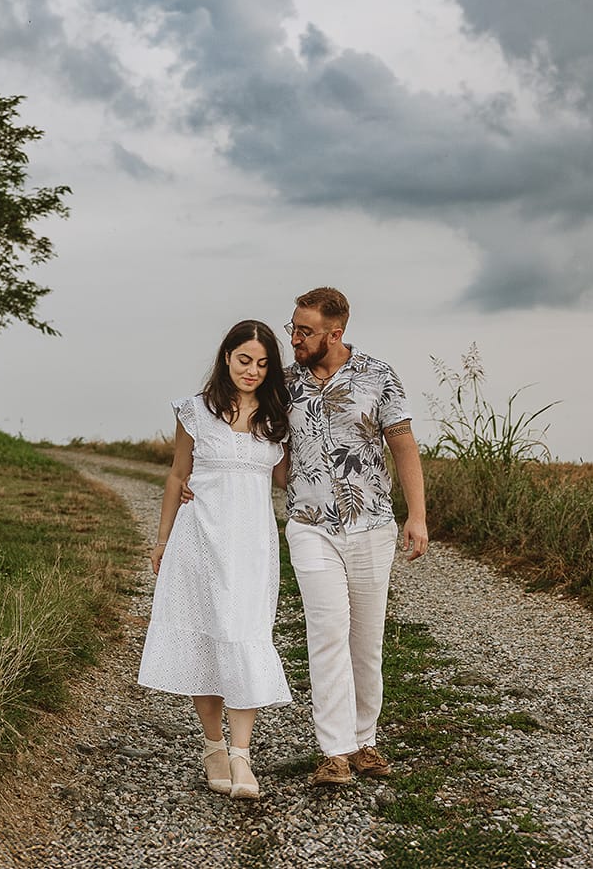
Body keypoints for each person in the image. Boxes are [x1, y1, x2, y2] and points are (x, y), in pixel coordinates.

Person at [136, 319, 293, 801]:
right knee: (207, 638)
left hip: (252, 546)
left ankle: (243, 755)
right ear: (226, 357)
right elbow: (176, 475)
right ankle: (214, 747)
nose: (252, 370)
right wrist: (162, 540)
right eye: (244, 359)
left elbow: (288, 480)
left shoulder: (276, 417)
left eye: (263, 364)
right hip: (199, 540)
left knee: (245, 636)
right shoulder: (195, 412)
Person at [282, 286, 428, 786]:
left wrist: (418, 516)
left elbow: (403, 445)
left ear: (334, 333)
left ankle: (365, 741)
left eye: (305, 331)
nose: (295, 339)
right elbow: (260, 444)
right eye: (293, 328)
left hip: (371, 526)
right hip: (309, 526)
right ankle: (334, 752)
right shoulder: (284, 384)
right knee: (326, 634)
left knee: (364, 642)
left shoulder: (378, 376)